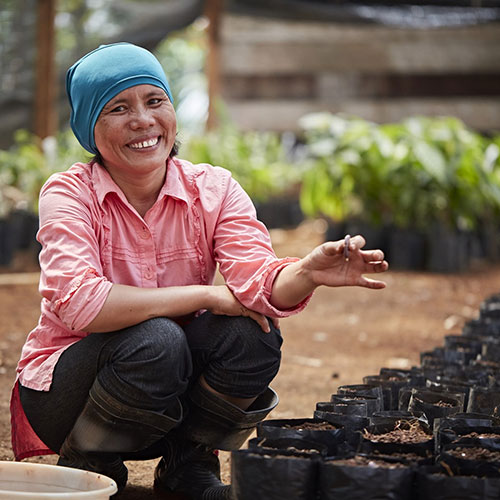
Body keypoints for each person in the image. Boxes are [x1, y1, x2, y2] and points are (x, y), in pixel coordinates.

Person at [10, 42, 389, 499]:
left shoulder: (213, 189)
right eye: (117, 108)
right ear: (90, 128)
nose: (143, 120)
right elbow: (81, 305)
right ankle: (91, 465)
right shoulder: (70, 193)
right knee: (158, 340)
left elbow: (257, 283)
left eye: (155, 101)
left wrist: (306, 272)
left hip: (165, 384)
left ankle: (189, 464)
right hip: (69, 396)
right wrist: (205, 295)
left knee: (254, 335)